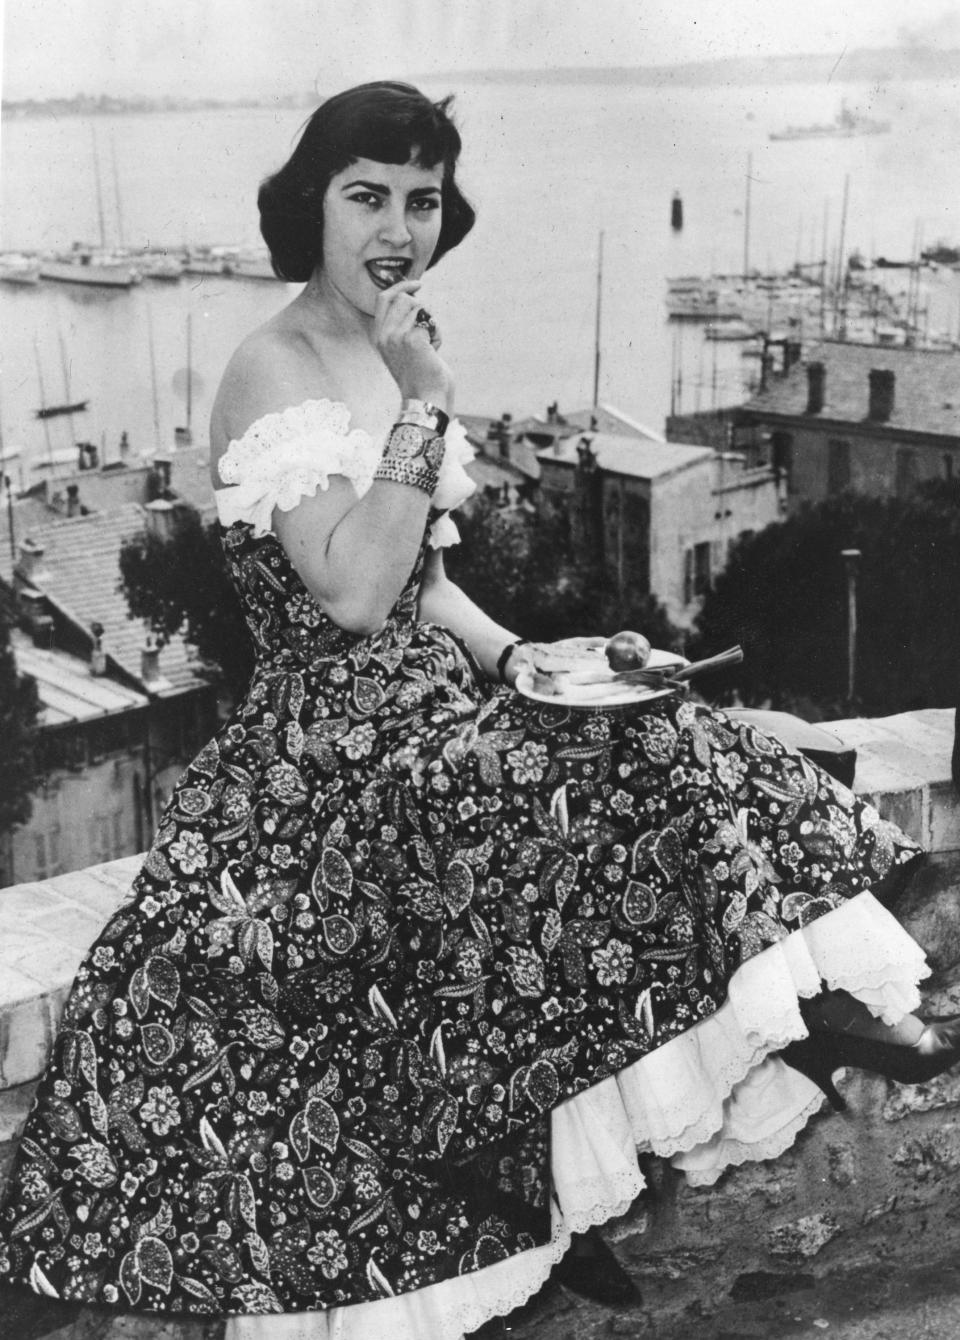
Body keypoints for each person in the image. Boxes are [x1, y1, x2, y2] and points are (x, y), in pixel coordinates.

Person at [1, 80, 958, 1340]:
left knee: (645, 713)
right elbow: (348, 593)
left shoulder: (388, 345)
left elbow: (429, 579)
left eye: (422, 198)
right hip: (324, 744)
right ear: (311, 207)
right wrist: (427, 396)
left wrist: (526, 658)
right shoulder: (267, 366)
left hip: (427, 702)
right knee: (560, 807)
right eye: (367, 197)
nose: (397, 227)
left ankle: (792, 1018)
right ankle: (579, 1166)